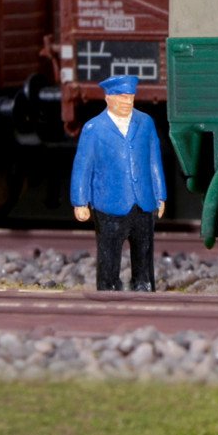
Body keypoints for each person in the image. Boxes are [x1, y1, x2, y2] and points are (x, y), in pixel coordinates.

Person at [70, 75, 166, 292]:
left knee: (144, 249)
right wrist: (80, 202)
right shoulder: (93, 128)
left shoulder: (145, 123)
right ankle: (108, 287)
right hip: (109, 203)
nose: (127, 102)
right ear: (108, 98)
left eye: (130, 97)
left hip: (143, 201)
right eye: (122, 98)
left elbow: (154, 162)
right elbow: (83, 166)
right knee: (109, 251)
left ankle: (144, 285)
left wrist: (160, 196)